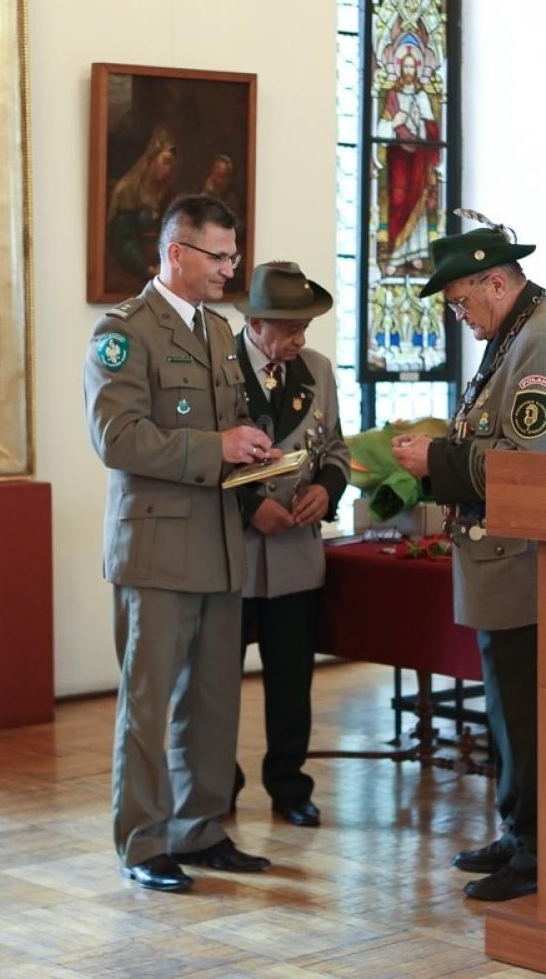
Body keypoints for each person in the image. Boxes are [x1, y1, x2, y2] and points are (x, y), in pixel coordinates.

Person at [391, 222, 546, 902]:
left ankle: (540, 852)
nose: (461, 318)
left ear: (497, 280)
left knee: (528, 711)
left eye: (462, 304)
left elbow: (533, 465)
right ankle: (520, 832)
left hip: (532, 560)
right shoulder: (515, 333)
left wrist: (439, 461)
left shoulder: (541, 336)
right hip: (506, 559)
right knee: (511, 712)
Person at [84, 194, 279, 894]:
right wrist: (216, 446)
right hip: (159, 551)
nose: (231, 268)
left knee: (214, 702)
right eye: (219, 256)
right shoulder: (124, 334)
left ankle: (200, 829)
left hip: (219, 544)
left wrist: (254, 450)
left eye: (232, 254)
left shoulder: (218, 331)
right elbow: (118, 439)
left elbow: (227, 429)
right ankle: (143, 841)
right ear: (177, 254)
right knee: (149, 703)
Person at [228, 262, 350, 828]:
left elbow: (338, 451)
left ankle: (289, 783)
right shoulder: (218, 369)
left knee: (291, 678)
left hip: (296, 557)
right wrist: (254, 506)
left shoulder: (318, 370)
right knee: (217, 680)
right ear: (254, 323)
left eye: (306, 325)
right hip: (231, 554)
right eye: (290, 326)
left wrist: (327, 490)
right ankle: (216, 783)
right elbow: (200, 457)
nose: (301, 338)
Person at [375, 42, 441, 272]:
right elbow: (382, 127)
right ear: (401, 68)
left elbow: (432, 129)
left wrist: (424, 124)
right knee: (398, 201)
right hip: (398, 156)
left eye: (413, 67)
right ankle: (395, 253)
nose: (410, 71)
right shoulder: (392, 96)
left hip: (418, 157)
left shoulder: (422, 96)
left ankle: (416, 252)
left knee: (418, 201)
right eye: (406, 67)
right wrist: (395, 122)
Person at [105, 125, 179, 279]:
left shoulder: (169, 195)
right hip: (132, 268)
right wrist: (145, 268)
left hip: (162, 269)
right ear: (151, 161)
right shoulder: (127, 190)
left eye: (172, 165)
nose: (169, 169)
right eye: (165, 162)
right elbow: (123, 240)